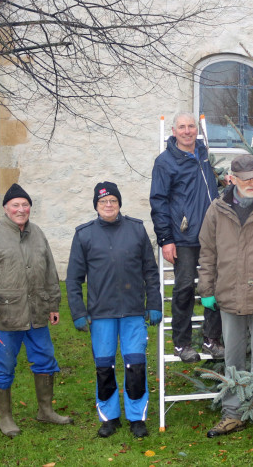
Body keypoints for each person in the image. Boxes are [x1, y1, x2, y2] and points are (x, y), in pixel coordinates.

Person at [197, 154, 253, 438]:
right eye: (246, 178)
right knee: (232, 359)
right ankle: (233, 414)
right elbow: (208, 251)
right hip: (228, 296)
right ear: (232, 179)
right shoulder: (217, 209)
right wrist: (207, 290)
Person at [0, 183, 71, 437]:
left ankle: (45, 411)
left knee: (46, 361)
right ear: (6, 208)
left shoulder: (37, 233)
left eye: (25, 205)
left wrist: (53, 304)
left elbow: (49, 272)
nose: (21, 209)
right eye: (15, 205)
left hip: (37, 314)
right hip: (5, 316)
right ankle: (6, 417)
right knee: (3, 366)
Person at [66, 182, 163, 439]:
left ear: (119, 204)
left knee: (136, 365)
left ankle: (136, 417)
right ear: (96, 206)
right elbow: (73, 278)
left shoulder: (136, 230)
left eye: (113, 201)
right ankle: (109, 417)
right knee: (104, 366)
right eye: (103, 202)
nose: (108, 205)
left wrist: (154, 304)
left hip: (132, 312)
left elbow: (151, 272)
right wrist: (78, 312)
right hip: (101, 314)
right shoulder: (84, 235)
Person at [150, 111, 223, 363]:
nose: (188, 131)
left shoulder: (204, 156)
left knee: (214, 288)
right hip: (182, 238)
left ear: (197, 130)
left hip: (212, 236)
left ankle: (211, 338)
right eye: (182, 127)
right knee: (183, 289)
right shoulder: (165, 162)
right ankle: (182, 344)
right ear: (174, 131)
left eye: (191, 126)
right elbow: (158, 202)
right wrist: (165, 239)